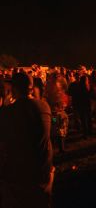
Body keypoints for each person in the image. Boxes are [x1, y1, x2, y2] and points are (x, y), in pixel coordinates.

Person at [0, 73, 54, 207]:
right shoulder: (44, 106)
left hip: (21, 175)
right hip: (43, 169)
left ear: (14, 89)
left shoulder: (9, 112)